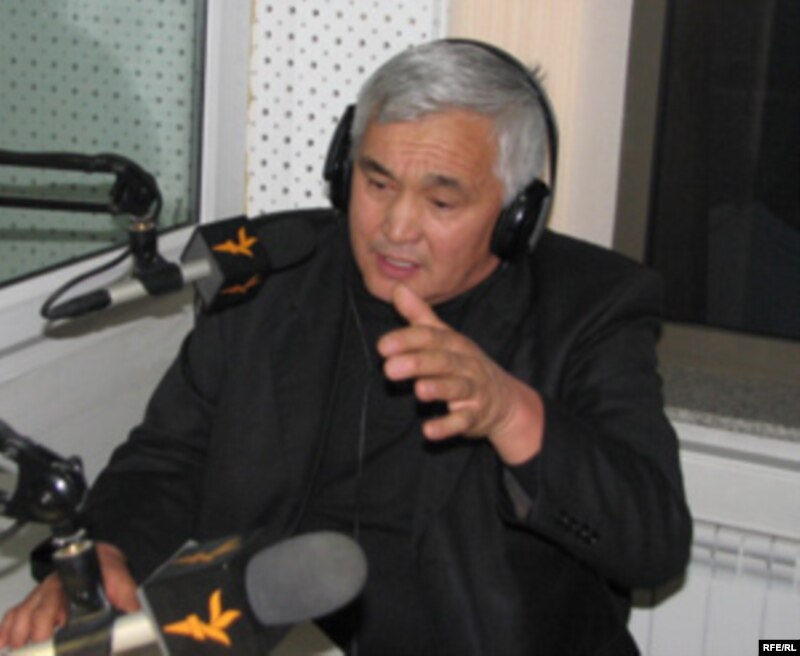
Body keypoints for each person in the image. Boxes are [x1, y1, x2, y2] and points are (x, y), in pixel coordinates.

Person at [0, 39, 692, 655]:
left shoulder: (591, 306)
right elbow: (167, 460)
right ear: (343, 169)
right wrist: (106, 552)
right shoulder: (269, 271)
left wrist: (511, 413)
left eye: (441, 203)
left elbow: (654, 544)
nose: (396, 227)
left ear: (517, 215)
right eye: (377, 182)